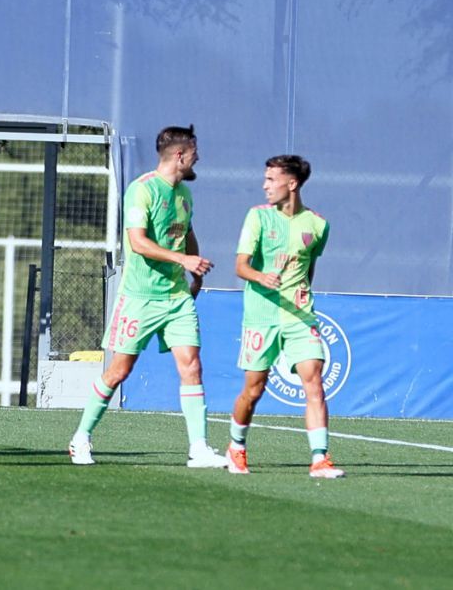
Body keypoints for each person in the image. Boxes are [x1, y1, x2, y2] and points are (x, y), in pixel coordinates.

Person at [67, 125, 228, 468]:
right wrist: (183, 259)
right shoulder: (141, 190)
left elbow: (186, 232)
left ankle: (198, 448)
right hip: (140, 298)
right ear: (180, 155)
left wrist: (193, 270)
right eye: (194, 151)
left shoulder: (185, 194)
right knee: (119, 371)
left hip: (177, 297)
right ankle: (81, 437)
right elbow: (138, 242)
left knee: (192, 366)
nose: (198, 157)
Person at [227, 155, 343, 478]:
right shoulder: (257, 217)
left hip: (300, 317)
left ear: (291, 184)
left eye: (270, 180)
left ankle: (320, 458)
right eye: (264, 179)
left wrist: (301, 294)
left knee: (314, 382)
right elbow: (240, 266)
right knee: (254, 390)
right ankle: (236, 446)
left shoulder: (318, 225)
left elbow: (310, 267)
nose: (265, 186)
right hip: (261, 316)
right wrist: (260, 277)